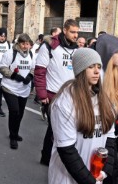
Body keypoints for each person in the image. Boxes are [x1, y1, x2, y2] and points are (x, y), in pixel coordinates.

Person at [49, 48, 116, 184]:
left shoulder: (104, 100)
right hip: (67, 178)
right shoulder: (65, 101)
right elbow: (67, 150)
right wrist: (89, 180)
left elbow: (110, 138)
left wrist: (104, 171)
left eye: (98, 66)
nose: (97, 71)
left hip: (95, 175)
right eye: (91, 67)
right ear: (80, 70)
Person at [34, 19, 79, 165]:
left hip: (71, 95)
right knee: (55, 128)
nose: (75, 35)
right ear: (64, 31)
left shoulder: (76, 48)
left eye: (77, 32)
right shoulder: (49, 46)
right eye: (72, 32)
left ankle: (51, 156)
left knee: (60, 128)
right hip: (52, 94)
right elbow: (40, 71)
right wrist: (42, 94)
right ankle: (49, 157)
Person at [94, 33, 118, 184]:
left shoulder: (115, 74)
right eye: (117, 52)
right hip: (93, 135)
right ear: (106, 53)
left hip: (108, 134)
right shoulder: (95, 76)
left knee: (111, 173)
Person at [0, 34, 34, 149]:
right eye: (22, 43)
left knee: (20, 113)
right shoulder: (10, 53)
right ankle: (13, 137)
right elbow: (2, 67)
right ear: (18, 43)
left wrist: (30, 76)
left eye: (27, 43)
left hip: (24, 88)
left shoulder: (31, 54)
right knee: (14, 111)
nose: (25, 46)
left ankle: (15, 132)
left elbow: (33, 68)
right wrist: (13, 75)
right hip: (10, 87)